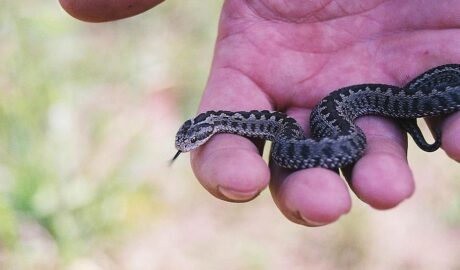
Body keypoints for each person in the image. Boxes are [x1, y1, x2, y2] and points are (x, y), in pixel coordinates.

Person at [59, 0, 460, 226]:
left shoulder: (266, 126)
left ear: (204, 130)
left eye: (191, 139)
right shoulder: (269, 127)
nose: (188, 145)